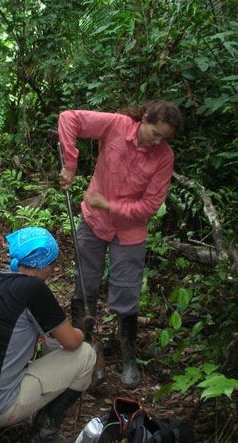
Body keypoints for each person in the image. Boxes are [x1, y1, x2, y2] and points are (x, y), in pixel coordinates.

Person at [57, 101, 182, 389]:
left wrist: (109, 205)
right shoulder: (116, 125)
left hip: (130, 232)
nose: (157, 141)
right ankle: (82, 351)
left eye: (164, 138)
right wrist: (71, 165)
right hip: (94, 222)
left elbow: (150, 205)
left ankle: (128, 359)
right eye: (155, 133)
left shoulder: (164, 157)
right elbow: (69, 118)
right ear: (145, 119)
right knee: (85, 284)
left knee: (126, 292)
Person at [0, 227, 97, 442]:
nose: (53, 271)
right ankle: (45, 431)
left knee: (49, 346)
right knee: (85, 354)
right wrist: (81, 332)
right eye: (53, 264)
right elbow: (72, 342)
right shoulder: (34, 288)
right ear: (44, 265)